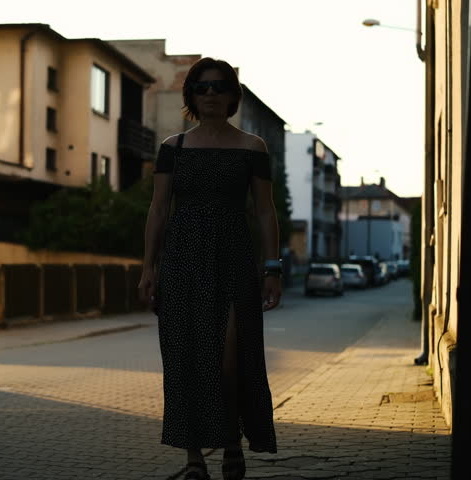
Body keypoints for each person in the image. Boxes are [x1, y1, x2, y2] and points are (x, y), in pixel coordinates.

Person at [138, 57, 283, 480]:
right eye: (202, 88)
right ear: (191, 96)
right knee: (186, 359)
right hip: (182, 261)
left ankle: (233, 443)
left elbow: (265, 212)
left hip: (235, 258)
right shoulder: (173, 148)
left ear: (232, 94)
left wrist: (272, 267)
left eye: (219, 87)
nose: (211, 95)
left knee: (231, 359)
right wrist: (148, 267)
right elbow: (159, 209)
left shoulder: (253, 147)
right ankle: (194, 459)